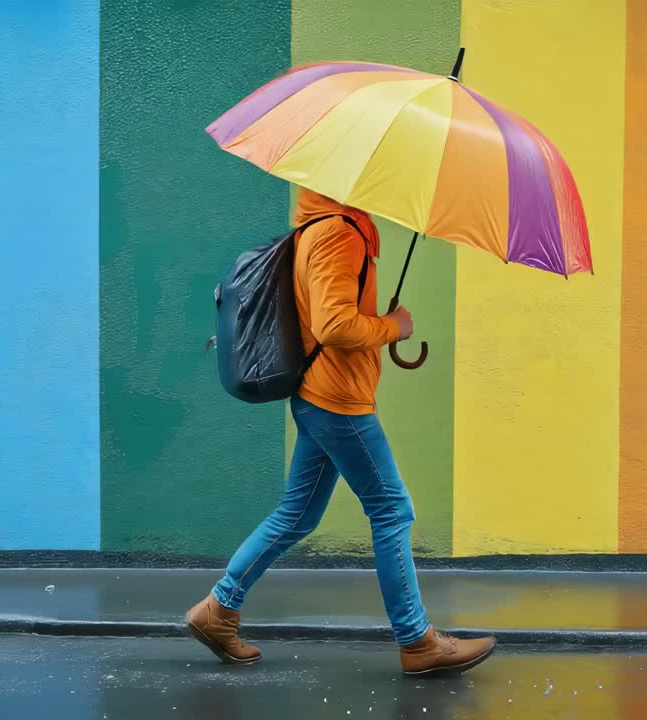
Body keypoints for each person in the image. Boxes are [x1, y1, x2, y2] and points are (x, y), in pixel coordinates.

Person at [185, 188, 497, 676]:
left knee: (297, 515)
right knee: (392, 510)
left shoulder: (319, 225)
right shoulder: (338, 232)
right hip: (338, 402)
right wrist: (392, 326)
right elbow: (335, 326)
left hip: (318, 397)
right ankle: (417, 641)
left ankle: (218, 609)